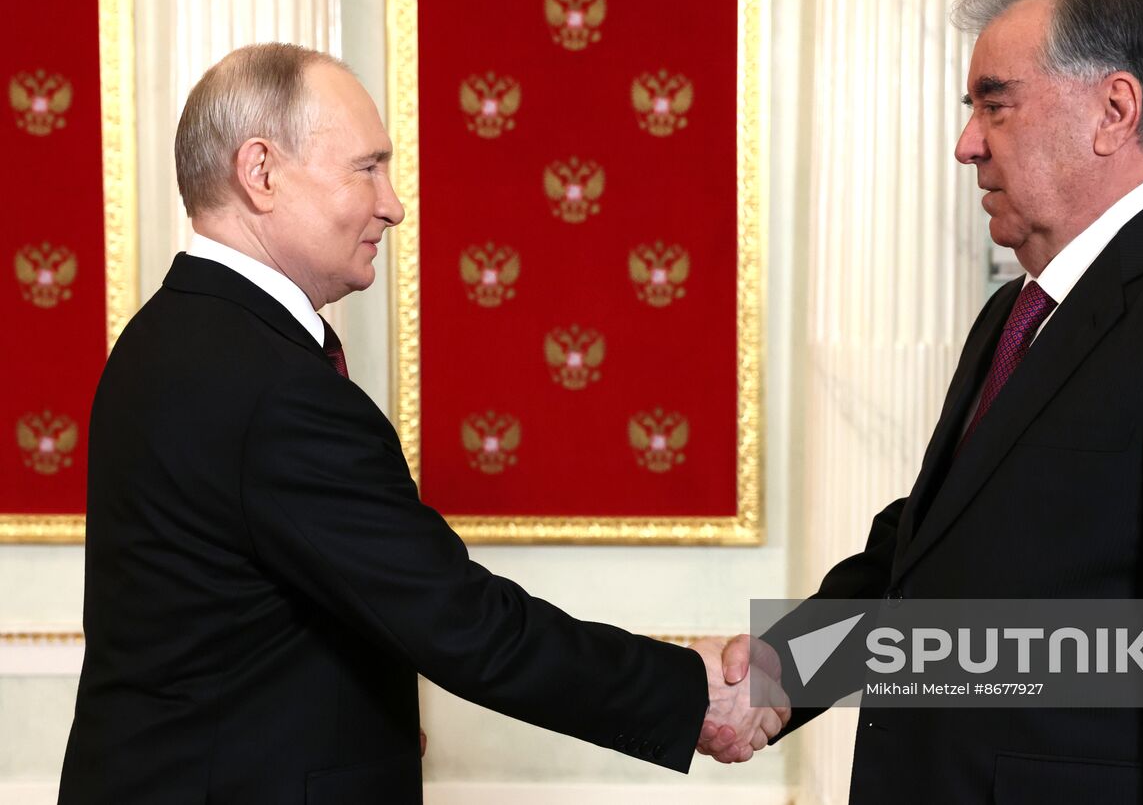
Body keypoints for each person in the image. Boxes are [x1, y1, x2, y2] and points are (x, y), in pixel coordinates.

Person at [57, 44, 785, 804]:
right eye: (366, 168)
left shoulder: (168, 335)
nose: (393, 205)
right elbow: (460, 622)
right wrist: (697, 691)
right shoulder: (269, 384)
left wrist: (779, 672)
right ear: (261, 172)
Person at [720, 0, 1143, 802]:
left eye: (995, 105)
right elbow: (931, 555)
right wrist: (779, 674)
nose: (967, 144)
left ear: (1114, 111)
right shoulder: (1018, 309)